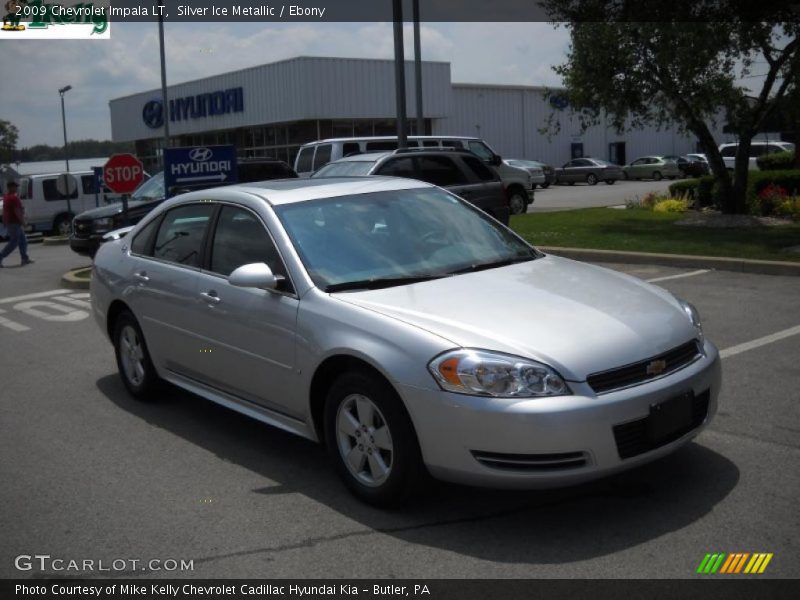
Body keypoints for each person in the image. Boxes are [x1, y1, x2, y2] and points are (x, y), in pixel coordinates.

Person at [0, 181, 34, 267]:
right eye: (15, 187)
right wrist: (23, 222)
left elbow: (5, 210)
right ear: (10, 187)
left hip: (11, 222)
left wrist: (5, 221)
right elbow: (17, 211)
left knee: (23, 241)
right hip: (14, 222)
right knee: (14, 242)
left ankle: (24, 258)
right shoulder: (13, 198)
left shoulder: (6, 197)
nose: (16, 188)